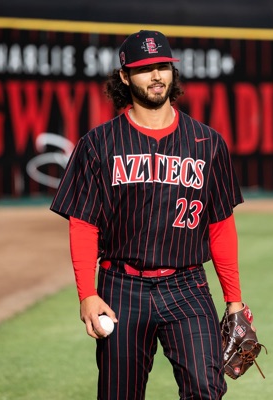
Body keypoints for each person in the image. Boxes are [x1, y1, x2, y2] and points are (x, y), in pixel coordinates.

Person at [51, 29, 252, 400]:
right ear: (125, 77)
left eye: (163, 66)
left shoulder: (207, 142)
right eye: (145, 69)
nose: (156, 76)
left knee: (207, 390)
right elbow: (83, 225)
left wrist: (234, 301)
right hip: (121, 289)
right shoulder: (98, 144)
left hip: (187, 288)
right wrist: (87, 294)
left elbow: (221, 227)